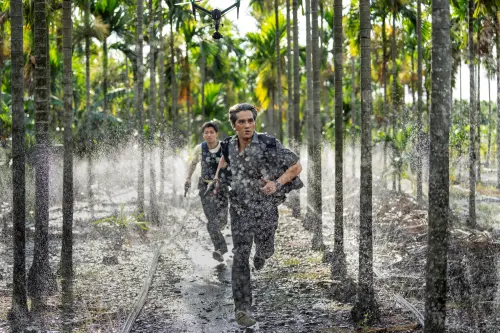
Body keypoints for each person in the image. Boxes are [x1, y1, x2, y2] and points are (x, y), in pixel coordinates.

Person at [212, 103, 303, 327]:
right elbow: (224, 159)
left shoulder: (269, 143)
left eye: (250, 121)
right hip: (240, 208)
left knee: (265, 246)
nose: (247, 125)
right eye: (241, 122)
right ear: (234, 126)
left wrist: (276, 183)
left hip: (265, 206)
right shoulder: (228, 145)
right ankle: (242, 309)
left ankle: (262, 253)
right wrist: (216, 180)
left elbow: (296, 166)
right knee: (240, 255)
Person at [185, 122, 229, 262]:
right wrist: (188, 178)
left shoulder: (224, 148)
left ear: (216, 134)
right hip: (205, 187)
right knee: (211, 222)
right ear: (203, 135)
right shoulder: (200, 148)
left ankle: (219, 237)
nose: (209, 135)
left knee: (221, 220)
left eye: (211, 132)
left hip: (221, 188)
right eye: (206, 132)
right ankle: (220, 249)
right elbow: (192, 164)